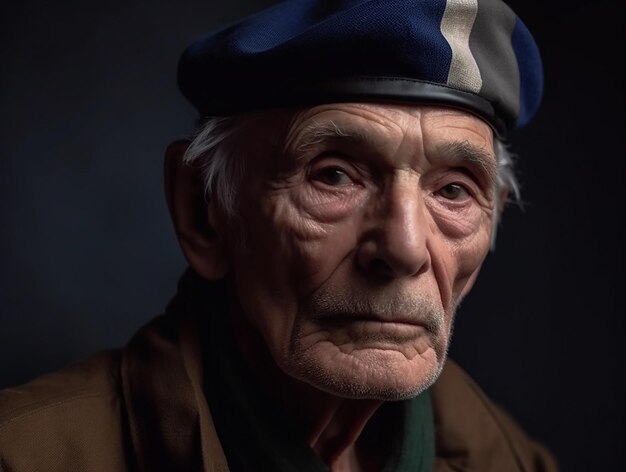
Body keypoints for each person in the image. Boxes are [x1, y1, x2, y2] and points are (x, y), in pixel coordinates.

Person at [0, 0, 558, 470]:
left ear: (493, 222)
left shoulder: (513, 461)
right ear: (203, 211)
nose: (406, 247)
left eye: (454, 191)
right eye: (334, 175)